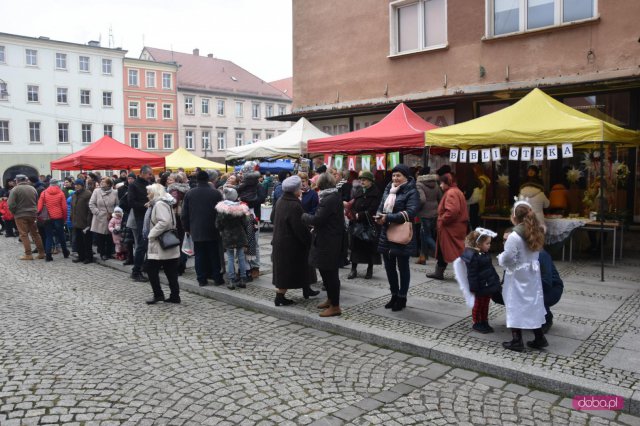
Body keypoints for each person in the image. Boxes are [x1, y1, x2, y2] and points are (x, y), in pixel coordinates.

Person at [498, 201, 548, 352]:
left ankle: (517, 339)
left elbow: (507, 258)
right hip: (532, 274)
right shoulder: (535, 231)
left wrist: (500, 258)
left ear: (514, 217)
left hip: (518, 274)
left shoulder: (514, 236)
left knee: (515, 304)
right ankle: (539, 337)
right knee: (532, 304)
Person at [376, 164, 420, 312]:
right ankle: (394, 295)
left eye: (398, 175)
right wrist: (379, 216)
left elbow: (411, 212)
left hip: (402, 234)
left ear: (406, 177)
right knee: (389, 267)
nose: (395, 178)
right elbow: (382, 205)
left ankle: (402, 297)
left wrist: (388, 217)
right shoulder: (389, 188)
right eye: (394, 175)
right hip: (386, 232)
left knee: (403, 267)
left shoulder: (412, 191)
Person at [302, 172, 344, 317]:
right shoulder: (332, 196)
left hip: (329, 241)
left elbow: (318, 219)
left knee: (330, 274)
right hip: (328, 239)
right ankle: (330, 300)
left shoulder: (329, 199)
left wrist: (304, 215)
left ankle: (335, 306)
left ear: (321, 185)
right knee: (326, 272)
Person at [271, 175, 315, 306]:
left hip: (281, 241)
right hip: (291, 245)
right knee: (287, 272)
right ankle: (280, 297)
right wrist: (309, 240)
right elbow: (300, 228)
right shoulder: (294, 205)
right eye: (299, 188)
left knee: (299, 268)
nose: (301, 190)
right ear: (295, 190)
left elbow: (273, 217)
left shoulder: (280, 200)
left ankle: (307, 289)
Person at [182, 170, 225, 287]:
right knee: (214, 254)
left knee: (199, 255)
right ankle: (217, 278)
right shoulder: (216, 193)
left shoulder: (190, 194)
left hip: (196, 229)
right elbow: (221, 212)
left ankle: (201, 279)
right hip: (213, 228)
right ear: (208, 180)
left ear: (196, 179)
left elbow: (184, 214)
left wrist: (186, 228)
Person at [454, 228, 501, 334]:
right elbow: (472, 274)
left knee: (485, 304)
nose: (489, 245)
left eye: (489, 243)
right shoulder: (473, 257)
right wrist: (474, 287)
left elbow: (490, 269)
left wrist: (495, 280)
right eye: (487, 243)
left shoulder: (485, 254)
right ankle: (477, 322)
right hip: (480, 286)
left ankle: (484, 321)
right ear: (479, 244)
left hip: (487, 285)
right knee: (478, 305)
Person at [143, 183, 181, 304]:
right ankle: (174, 296)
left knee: (151, 269)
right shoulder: (164, 203)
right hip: (166, 242)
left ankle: (159, 294)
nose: (147, 195)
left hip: (160, 243)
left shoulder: (159, 204)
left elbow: (164, 222)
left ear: (155, 193)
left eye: (149, 192)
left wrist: (151, 234)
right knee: (170, 271)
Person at [427, 173, 469, 280]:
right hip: (453, 227)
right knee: (444, 250)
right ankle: (439, 272)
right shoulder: (455, 191)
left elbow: (452, 211)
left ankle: (469, 273)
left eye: (441, 183)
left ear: (447, 183)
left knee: (455, 251)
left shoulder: (451, 192)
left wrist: (442, 220)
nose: (440, 185)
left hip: (451, 228)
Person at [347, 170, 381, 280]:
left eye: (364, 180)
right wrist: (352, 213)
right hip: (357, 224)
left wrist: (360, 215)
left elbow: (374, 209)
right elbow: (353, 204)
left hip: (369, 224)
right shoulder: (359, 191)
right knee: (355, 247)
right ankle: (353, 269)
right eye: (361, 179)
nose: (362, 181)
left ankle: (369, 269)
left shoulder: (376, 193)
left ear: (370, 181)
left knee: (369, 248)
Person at [215, 188, 250, 290]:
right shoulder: (241, 208)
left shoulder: (221, 209)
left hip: (227, 235)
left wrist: (222, 229)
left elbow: (218, 224)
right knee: (241, 257)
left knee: (230, 258)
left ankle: (231, 280)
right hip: (239, 234)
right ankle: (243, 279)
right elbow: (246, 222)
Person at [8, 174, 45, 260]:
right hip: (32, 214)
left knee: (23, 234)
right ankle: (41, 253)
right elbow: (37, 201)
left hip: (20, 214)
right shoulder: (33, 189)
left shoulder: (15, 189)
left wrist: (14, 212)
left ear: (17, 181)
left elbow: (10, 204)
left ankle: (28, 254)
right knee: (35, 233)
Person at [128, 166, 155, 282]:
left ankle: (146, 267)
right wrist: (145, 205)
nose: (151, 176)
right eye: (149, 174)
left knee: (149, 244)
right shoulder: (134, 185)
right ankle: (136, 271)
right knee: (142, 244)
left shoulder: (150, 184)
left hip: (151, 217)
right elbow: (131, 202)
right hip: (141, 218)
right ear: (143, 173)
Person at [37, 179, 70, 261]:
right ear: (57, 184)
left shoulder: (44, 193)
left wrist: (39, 217)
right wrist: (65, 218)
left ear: (50, 184)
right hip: (58, 217)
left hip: (47, 218)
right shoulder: (61, 193)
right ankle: (65, 252)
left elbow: (39, 207)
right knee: (61, 235)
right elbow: (64, 208)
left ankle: (48, 255)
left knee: (49, 236)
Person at [89, 177, 118, 261]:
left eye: (104, 182)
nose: (101, 183)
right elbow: (91, 203)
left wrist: (114, 213)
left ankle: (109, 253)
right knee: (100, 236)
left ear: (109, 184)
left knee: (110, 236)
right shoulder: (96, 191)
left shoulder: (115, 192)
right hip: (99, 217)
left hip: (110, 217)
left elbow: (117, 204)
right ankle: (102, 253)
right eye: (101, 181)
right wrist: (97, 212)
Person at [415, 170, 441, 264]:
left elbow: (422, 199)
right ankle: (423, 257)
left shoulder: (419, 184)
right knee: (423, 235)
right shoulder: (435, 184)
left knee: (426, 236)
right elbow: (440, 197)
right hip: (434, 213)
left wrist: (417, 208)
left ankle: (439, 254)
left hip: (424, 213)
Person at [519, 165, 549, 230]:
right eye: (529, 170)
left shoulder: (539, 181)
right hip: (538, 217)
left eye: (532, 170)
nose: (530, 172)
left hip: (526, 218)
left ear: (536, 172)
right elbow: (546, 204)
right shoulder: (524, 181)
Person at [71, 179, 93, 264]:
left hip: (85, 221)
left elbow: (89, 209)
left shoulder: (88, 194)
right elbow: (73, 207)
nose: (76, 186)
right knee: (79, 240)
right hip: (76, 221)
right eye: (75, 184)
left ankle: (88, 257)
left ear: (82, 185)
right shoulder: (74, 194)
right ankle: (81, 256)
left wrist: (88, 221)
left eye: (78, 184)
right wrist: (71, 217)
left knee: (87, 241)